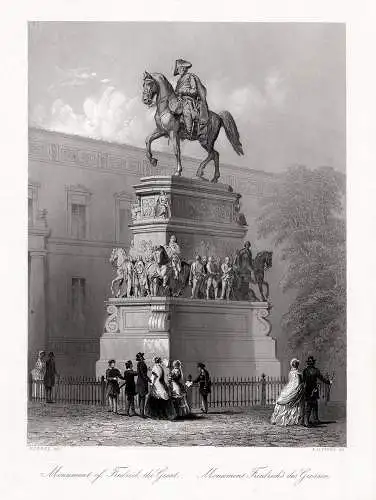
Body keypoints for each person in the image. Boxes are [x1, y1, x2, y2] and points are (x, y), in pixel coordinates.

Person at [173, 59, 209, 138]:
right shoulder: (179, 80)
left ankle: (188, 131)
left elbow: (194, 91)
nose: (181, 69)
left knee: (186, 110)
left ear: (185, 69)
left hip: (189, 100)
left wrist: (183, 91)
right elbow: (176, 91)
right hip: (179, 99)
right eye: (179, 68)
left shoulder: (190, 77)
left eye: (183, 68)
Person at [270, 358, 305, 426]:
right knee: (295, 403)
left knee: (288, 401)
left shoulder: (291, 373)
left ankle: (286, 419)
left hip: (291, 388)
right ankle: (293, 420)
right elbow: (297, 383)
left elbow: (292, 382)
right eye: (296, 364)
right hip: (295, 388)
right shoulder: (298, 374)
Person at [303, 356, 332, 426]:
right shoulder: (316, 370)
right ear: (313, 363)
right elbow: (322, 378)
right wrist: (329, 382)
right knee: (313, 405)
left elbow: (303, 381)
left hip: (307, 390)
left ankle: (314, 419)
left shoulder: (305, 371)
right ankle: (308, 421)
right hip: (314, 389)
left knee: (311, 404)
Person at [136, 352, 150, 418]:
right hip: (142, 383)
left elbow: (142, 373)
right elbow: (143, 374)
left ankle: (141, 413)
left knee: (140, 397)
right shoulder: (141, 363)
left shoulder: (139, 363)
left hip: (139, 382)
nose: (142, 358)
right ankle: (142, 414)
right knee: (142, 398)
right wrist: (149, 379)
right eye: (141, 357)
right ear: (140, 358)